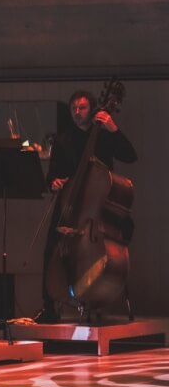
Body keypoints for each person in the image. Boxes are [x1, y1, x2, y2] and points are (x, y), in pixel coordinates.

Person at [38, 89, 137, 323]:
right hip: (71, 205)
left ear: (92, 109)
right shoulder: (64, 139)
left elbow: (130, 156)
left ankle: (97, 295)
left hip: (98, 207)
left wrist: (113, 127)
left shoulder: (103, 135)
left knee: (116, 236)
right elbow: (52, 175)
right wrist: (54, 182)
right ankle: (50, 307)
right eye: (74, 108)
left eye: (82, 108)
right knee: (51, 248)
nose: (77, 112)